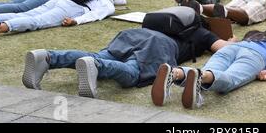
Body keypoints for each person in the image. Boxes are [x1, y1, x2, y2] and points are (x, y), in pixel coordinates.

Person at [22, 25, 237, 97]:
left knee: (99, 54)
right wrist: (231, 40)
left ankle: (49, 56)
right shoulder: (201, 31)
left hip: (133, 34)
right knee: (132, 74)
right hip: (157, 47)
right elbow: (223, 49)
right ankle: (96, 68)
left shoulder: (165, 17)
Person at [151, 26, 266, 109]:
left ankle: (175, 72)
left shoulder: (255, 36)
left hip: (232, 48)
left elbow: (230, 44)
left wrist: (233, 40)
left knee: (207, 68)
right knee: (230, 79)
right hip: (255, 56)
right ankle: (201, 77)